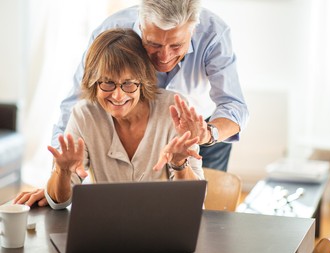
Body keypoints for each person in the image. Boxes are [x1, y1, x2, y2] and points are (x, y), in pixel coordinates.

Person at [14, 28, 204, 208]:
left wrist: (179, 164)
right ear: (94, 82)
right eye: (108, 83)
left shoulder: (174, 109)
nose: (118, 96)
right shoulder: (84, 114)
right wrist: (62, 172)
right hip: (109, 229)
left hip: (166, 226)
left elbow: (195, 201)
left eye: (128, 83)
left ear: (142, 80)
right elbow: (60, 202)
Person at [52, 0, 249, 172]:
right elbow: (77, 99)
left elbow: (234, 105)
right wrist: (59, 170)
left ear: (193, 30)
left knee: (203, 208)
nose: (164, 57)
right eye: (153, 44)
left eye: (176, 46)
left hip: (201, 132)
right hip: (134, 131)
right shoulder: (111, 31)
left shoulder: (214, 33)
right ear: (141, 23)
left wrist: (208, 133)